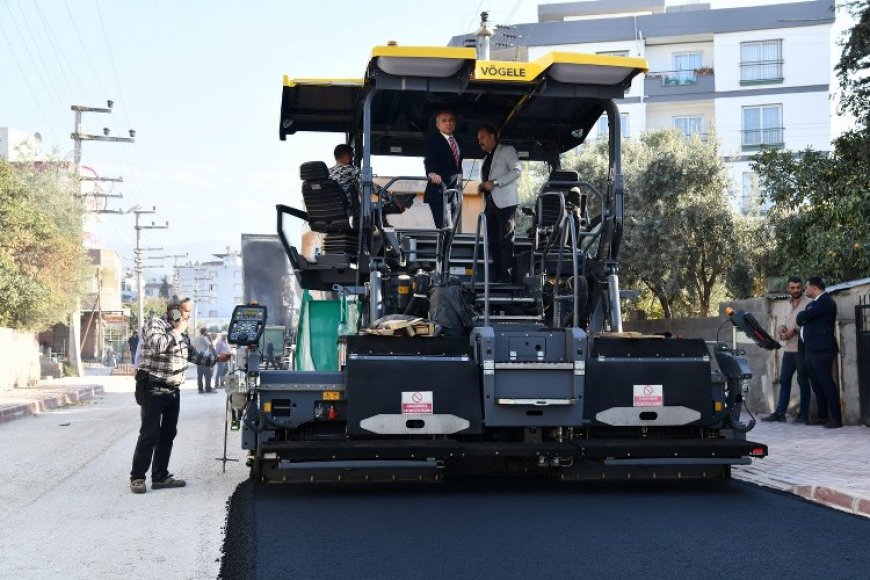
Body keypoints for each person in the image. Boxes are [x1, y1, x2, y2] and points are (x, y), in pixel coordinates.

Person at [130, 296, 232, 494]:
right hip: (152, 387)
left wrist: (218, 358)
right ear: (174, 311)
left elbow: (193, 355)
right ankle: (137, 477)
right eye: (186, 312)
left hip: (172, 389)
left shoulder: (182, 334)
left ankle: (160, 476)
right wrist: (177, 329)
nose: (189, 315)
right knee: (149, 433)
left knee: (168, 434)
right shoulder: (155, 324)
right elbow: (158, 345)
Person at [476, 124, 522, 283]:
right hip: (490, 205)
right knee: (492, 242)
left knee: (506, 239)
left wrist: (496, 182)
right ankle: (497, 276)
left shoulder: (506, 150)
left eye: (482, 137)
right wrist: (482, 186)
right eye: (478, 139)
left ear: (492, 136)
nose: (479, 141)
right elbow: (488, 181)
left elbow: (517, 171)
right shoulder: (486, 158)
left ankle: (506, 277)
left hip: (505, 204)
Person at [763, 277, 811, 423]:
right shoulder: (786, 304)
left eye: (798, 287)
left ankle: (804, 415)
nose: (796, 290)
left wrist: (794, 331)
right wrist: (781, 329)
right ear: (788, 289)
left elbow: (810, 325)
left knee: (803, 381)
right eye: (792, 288)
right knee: (784, 380)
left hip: (802, 349)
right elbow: (784, 324)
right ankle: (780, 413)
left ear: (802, 287)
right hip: (789, 349)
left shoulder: (809, 303)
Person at [796, 276, 842, 428]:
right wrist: (803, 317)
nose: (805, 290)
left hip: (822, 349)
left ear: (815, 288)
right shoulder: (813, 304)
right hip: (810, 349)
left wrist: (804, 316)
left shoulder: (825, 302)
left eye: (807, 287)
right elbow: (801, 318)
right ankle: (822, 416)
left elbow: (803, 316)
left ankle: (836, 418)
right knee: (816, 383)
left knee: (826, 382)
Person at [424, 109, 463, 229]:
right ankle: (443, 248)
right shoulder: (433, 141)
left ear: (455, 123)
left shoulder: (458, 141)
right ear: (438, 125)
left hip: (454, 193)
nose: (448, 123)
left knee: (451, 233)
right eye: (444, 121)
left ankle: (447, 248)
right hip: (439, 191)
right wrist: (431, 173)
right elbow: (428, 161)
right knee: (445, 229)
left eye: (451, 120)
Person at [196, 327, 214, 393]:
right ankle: (208, 388)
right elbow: (211, 345)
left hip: (198, 358)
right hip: (205, 358)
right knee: (208, 374)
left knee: (200, 375)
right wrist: (210, 339)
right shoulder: (205, 338)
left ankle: (200, 389)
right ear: (205, 332)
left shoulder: (197, 338)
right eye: (207, 331)